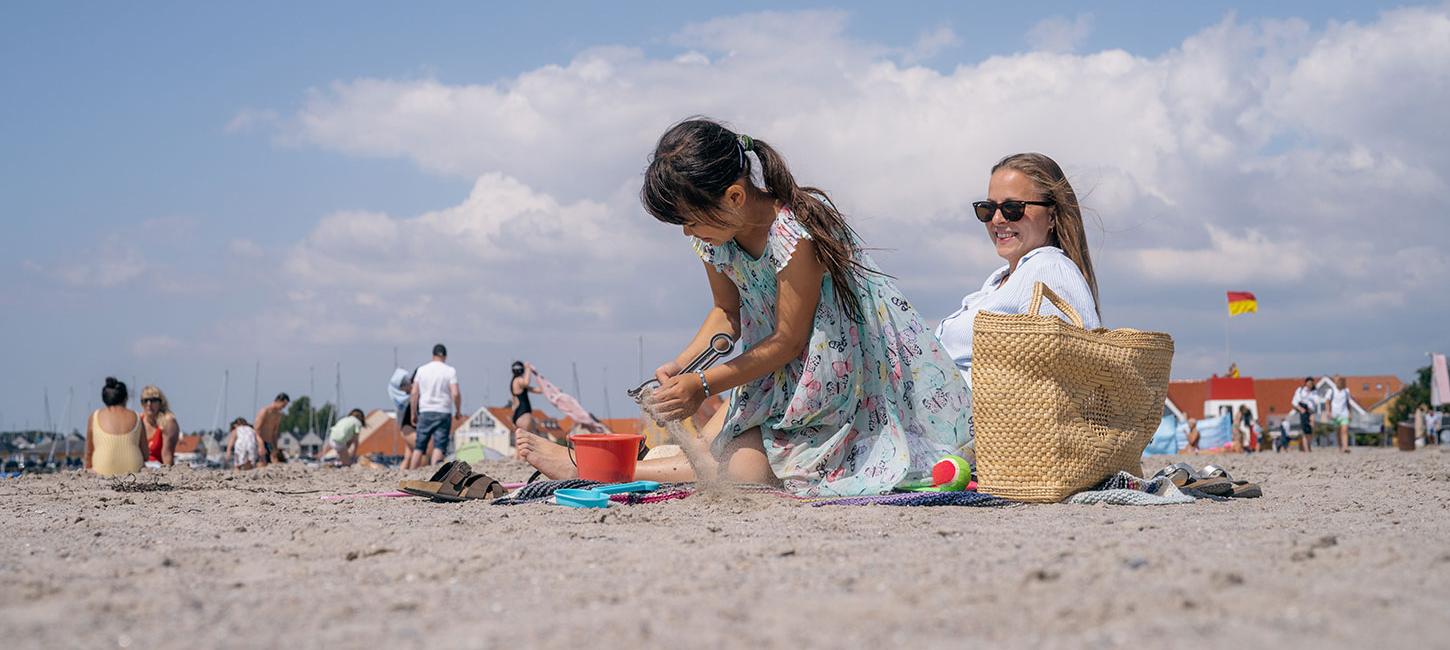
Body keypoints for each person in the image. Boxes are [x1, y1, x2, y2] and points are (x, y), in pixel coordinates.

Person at [518, 118, 968, 496]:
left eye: (691, 219)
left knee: (742, 471)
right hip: (774, 375)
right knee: (718, 448)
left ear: (734, 197)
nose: (687, 232)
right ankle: (609, 461)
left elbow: (790, 341)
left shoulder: (795, 237)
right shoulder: (715, 239)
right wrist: (683, 366)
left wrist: (704, 385)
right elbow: (725, 315)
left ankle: (594, 469)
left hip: (834, 380)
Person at [935, 153, 1101, 402]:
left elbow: (1071, 376)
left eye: (1013, 209)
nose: (997, 220)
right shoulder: (1000, 280)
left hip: (994, 431)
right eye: (987, 209)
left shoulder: (1049, 270)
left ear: (1052, 216)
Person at [407, 344, 460, 469]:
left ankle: (410, 473)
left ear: (433, 355)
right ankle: (435, 472)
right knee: (439, 446)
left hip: (425, 411)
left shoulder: (421, 370)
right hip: (443, 411)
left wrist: (413, 413)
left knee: (419, 446)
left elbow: (414, 393)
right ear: (445, 356)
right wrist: (457, 410)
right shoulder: (450, 370)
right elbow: (455, 393)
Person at [85, 377, 145, 476]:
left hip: (102, 468)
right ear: (125, 398)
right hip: (134, 469)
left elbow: (88, 453)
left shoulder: (95, 416)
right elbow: (145, 454)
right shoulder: (136, 416)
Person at [139, 385, 180, 466]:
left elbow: (167, 455)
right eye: (145, 400)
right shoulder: (138, 420)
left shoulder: (167, 422)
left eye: (153, 400)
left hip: (157, 467)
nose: (149, 404)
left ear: (161, 402)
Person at [509, 361, 547, 442]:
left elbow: (536, 390)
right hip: (523, 413)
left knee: (525, 439)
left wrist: (549, 389)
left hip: (518, 415)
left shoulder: (517, 383)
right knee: (526, 440)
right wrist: (528, 369)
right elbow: (526, 382)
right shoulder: (518, 380)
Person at [253, 393, 290, 466]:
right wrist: (261, 445)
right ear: (278, 401)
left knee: (275, 462)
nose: (283, 408)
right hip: (260, 440)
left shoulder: (278, 415)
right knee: (261, 463)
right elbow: (256, 430)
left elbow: (275, 433)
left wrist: (275, 448)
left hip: (269, 442)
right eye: (283, 405)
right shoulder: (265, 411)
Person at [1291, 377, 1317, 452]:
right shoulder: (1300, 390)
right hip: (1303, 410)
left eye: (1311, 383)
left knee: (1311, 428)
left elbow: (1317, 401)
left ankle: (1309, 445)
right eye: (1308, 383)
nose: (1310, 385)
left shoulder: (1314, 392)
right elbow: (1294, 402)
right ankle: (1306, 448)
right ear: (1305, 383)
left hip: (1311, 411)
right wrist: (1300, 409)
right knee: (1305, 430)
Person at [1328, 375, 1352, 452]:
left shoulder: (1346, 391)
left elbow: (1348, 403)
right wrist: (1328, 411)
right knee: (1338, 431)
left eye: (1340, 381)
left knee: (1344, 430)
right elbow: (1327, 402)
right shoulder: (1331, 391)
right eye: (1337, 381)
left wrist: (1350, 413)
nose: (1339, 383)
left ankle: (1346, 447)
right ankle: (1340, 447)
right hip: (1335, 414)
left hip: (1344, 413)